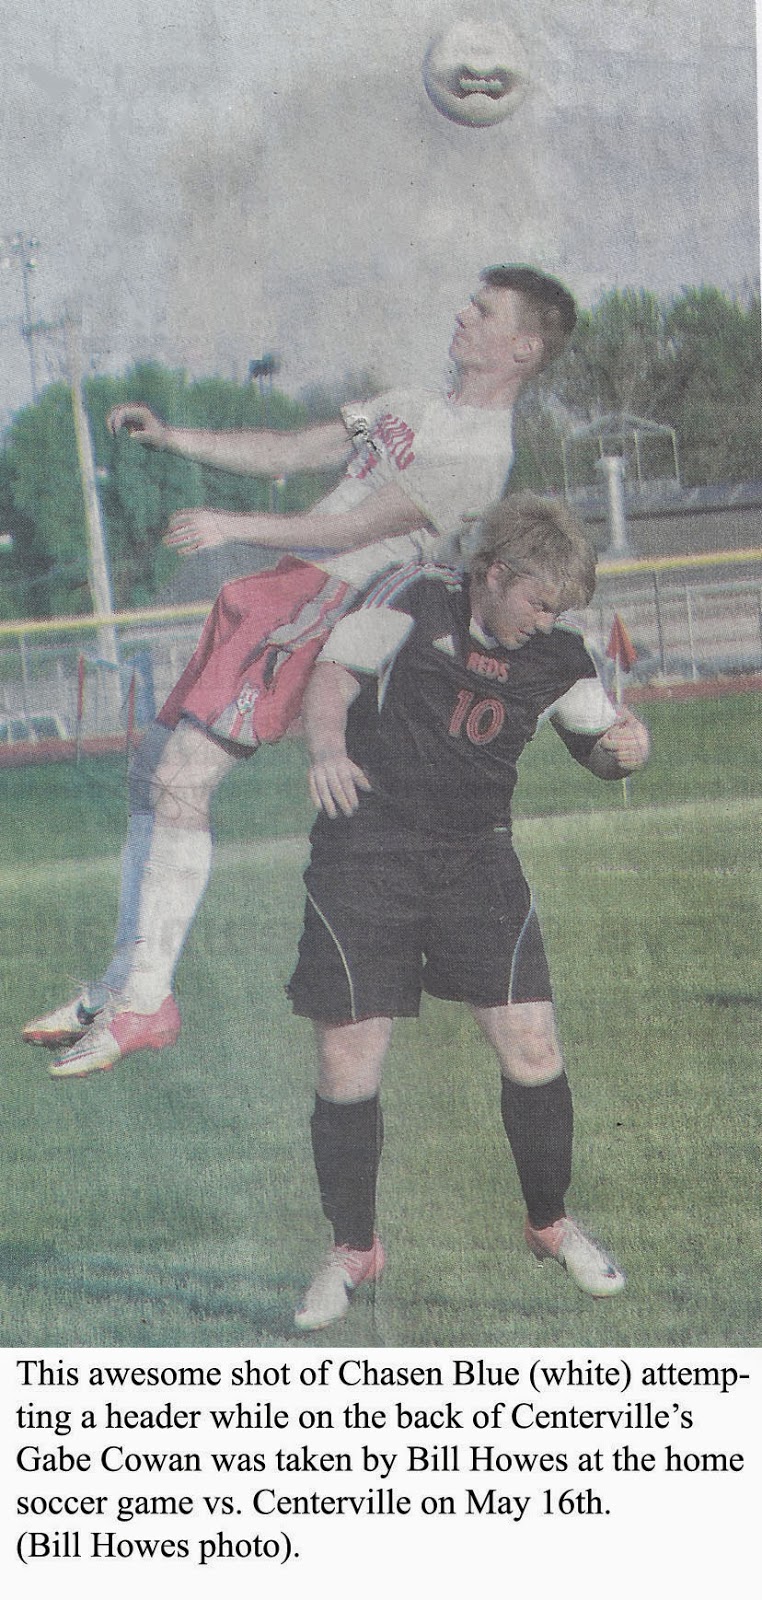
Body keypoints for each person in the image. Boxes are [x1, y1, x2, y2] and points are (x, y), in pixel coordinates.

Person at [23, 265, 578, 1079]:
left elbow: (354, 529)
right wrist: (175, 437)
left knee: (184, 777)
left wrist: (228, 525)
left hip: (325, 598)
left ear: (524, 348)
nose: (461, 313)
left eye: (483, 310)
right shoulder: (411, 405)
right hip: (283, 583)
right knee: (154, 768)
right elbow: (293, 448)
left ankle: (148, 1002)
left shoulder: (480, 453)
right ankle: (122, 983)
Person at [286, 492, 650, 1329]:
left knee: (532, 1045)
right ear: (494, 574)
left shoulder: (561, 654)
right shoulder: (415, 595)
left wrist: (631, 746)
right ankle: (353, 1249)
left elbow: (602, 746)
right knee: (349, 1063)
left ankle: (550, 1224)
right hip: (367, 851)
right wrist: (328, 748)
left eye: (559, 608)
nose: (546, 619)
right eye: (538, 600)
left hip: (477, 859)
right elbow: (334, 675)